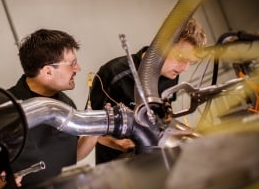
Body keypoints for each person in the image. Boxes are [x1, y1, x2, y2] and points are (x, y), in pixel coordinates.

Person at [88, 17, 207, 165]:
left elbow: (164, 116)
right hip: (116, 165)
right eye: (181, 57)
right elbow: (89, 127)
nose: (185, 68)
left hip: (153, 161)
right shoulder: (114, 73)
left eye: (190, 61)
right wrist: (117, 144)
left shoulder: (171, 74)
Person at [6, 28, 95, 187]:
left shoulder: (65, 103)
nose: (78, 69)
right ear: (48, 71)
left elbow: (72, 155)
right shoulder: (6, 111)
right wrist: (0, 184)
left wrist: (97, 127)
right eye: (72, 64)